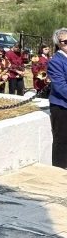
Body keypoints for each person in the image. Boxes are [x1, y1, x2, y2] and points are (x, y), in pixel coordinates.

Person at [47, 30, 67, 168]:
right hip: (61, 107)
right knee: (61, 140)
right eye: (64, 42)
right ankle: (60, 170)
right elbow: (60, 87)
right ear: (58, 44)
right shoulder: (56, 61)